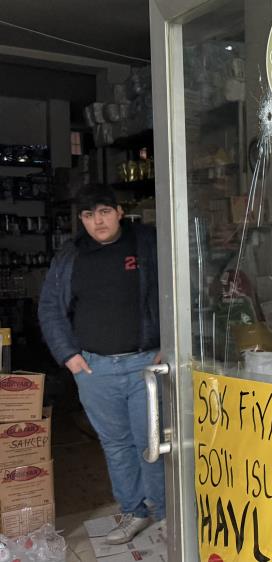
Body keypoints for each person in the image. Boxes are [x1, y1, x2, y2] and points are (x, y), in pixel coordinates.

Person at [38, 185, 164, 545]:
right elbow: (50, 307)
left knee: (152, 442)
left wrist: (169, 345)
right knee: (116, 445)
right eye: (89, 215)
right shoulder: (70, 256)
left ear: (120, 212)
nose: (98, 221)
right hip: (95, 370)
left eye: (105, 211)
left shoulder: (146, 244)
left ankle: (166, 514)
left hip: (145, 365)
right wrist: (69, 356)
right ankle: (134, 511)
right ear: (81, 219)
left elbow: (175, 290)